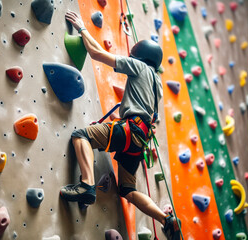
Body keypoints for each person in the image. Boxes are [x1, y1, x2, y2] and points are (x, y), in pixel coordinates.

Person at [61, 10, 180, 240]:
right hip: (138, 141)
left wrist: (82, 28)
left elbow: (97, 53)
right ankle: (167, 220)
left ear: (140, 56)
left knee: (81, 135)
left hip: (128, 131)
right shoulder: (157, 84)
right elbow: (150, 118)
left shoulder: (138, 67)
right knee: (128, 189)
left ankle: (87, 185)